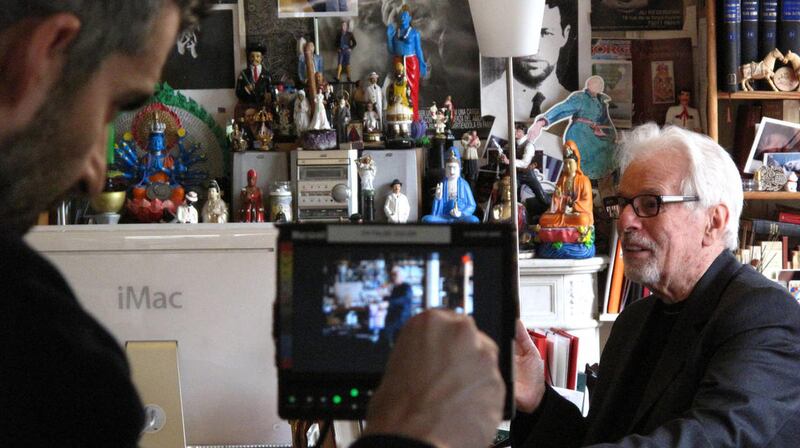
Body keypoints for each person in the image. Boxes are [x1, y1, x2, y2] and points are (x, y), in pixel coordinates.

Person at [0, 2, 506, 447]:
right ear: (44, 53)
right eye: (115, 104)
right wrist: (413, 436)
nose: (95, 172)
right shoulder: (53, 364)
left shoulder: (43, 336)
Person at [511, 124, 800, 446]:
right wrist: (537, 399)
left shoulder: (765, 315)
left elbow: (712, 440)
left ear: (713, 222)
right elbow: (597, 437)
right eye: (623, 203)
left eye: (650, 204)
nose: (624, 221)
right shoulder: (633, 320)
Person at [482, 0, 577, 134]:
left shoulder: (575, 108)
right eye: (524, 33)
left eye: (546, 33)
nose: (535, 49)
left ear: (565, 35)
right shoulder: (486, 101)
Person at [528, 75, 617, 181]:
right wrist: (543, 121)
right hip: (579, 133)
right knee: (582, 157)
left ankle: (596, 181)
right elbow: (563, 109)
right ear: (588, 84)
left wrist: (612, 135)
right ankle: (582, 180)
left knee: (607, 149)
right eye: (595, 83)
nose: (599, 86)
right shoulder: (580, 97)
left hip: (594, 134)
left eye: (600, 85)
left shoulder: (600, 102)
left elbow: (605, 121)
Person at [386, 6, 427, 121]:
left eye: (405, 16)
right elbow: (392, 50)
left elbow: (418, 50)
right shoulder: (396, 33)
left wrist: (422, 63)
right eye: (401, 16)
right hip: (398, 62)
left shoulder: (414, 33)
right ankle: (401, 117)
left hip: (411, 63)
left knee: (411, 90)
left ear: (409, 18)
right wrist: (389, 38)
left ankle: (414, 119)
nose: (403, 18)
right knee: (398, 90)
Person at [422, 150, 480, 223]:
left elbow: (472, 205)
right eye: (449, 168)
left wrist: (461, 213)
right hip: (444, 216)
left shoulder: (464, 184)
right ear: (445, 169)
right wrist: (437, 198)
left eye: (454, 168)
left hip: (461, 216)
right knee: (427, 219)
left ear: (459, 169)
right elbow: (435, 211)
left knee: (474, 220)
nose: (452, 171)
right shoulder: (442, 184)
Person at [381, 266, 414, 346]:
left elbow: (403, 299)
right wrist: (385, 297)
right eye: (392, 275)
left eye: (395, 275)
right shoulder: (395, 288)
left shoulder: (406, 287)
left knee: (398, 343)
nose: (393, 277)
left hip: (401, 320)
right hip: (393, 319)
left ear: (402, 276)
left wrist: (389, 303)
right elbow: (394, 299)